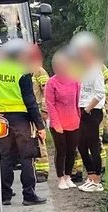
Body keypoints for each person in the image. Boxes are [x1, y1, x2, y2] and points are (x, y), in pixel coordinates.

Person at [0, 39, 47, 206]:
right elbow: (30, 101)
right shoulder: (22, 72)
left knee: (5, 157)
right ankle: (29, 195)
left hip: (2, 119)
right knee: (27, 157)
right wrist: (40, 126)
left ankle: (5, 195)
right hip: (21, 120)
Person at [71, 32, 107, 192]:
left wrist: (87, 109)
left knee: (93, 145)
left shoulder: (95, 70)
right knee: (81, 144)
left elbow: (100, 92)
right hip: (83, 110)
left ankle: (97, 180)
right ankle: (91, 175)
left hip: (92, 111)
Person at [44, 51, 81, 190]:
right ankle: (60, 178)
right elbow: (50, 104)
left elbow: (77, 102)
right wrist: (56, 123)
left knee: (72, 150)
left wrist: (79, 119)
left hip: (74, 121)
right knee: (61, 151)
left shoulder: (75, 81)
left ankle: (68, 176)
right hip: (58, 123)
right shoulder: (51, 83)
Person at [29, 44, 51, 182]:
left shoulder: (38, 71)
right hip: (23, 111)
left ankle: (42, 171)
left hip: (36, 110)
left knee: (39, 140)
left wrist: (44, 109)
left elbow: (47, 92)